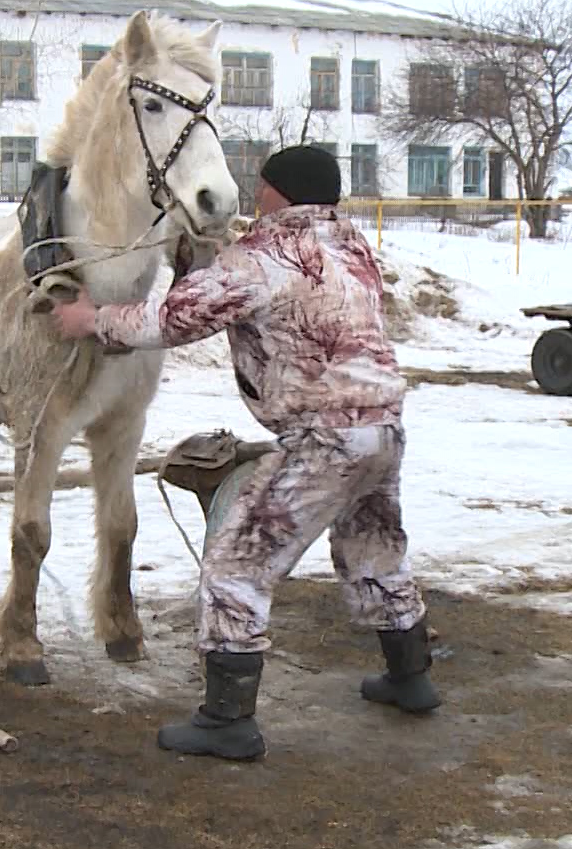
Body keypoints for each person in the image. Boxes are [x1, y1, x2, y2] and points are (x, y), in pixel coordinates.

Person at [50, 143, 440, 762]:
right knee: (375, 549)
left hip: (325, 439)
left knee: (237, 562)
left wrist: (90, 318)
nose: (254, 196)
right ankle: (411, 677)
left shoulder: (267, 255)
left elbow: (175, 321)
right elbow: (222, 298)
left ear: (280, 191)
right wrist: (196, 267)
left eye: (261, 186)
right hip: (383, 428)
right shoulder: (351, 245)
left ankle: (227, 718)